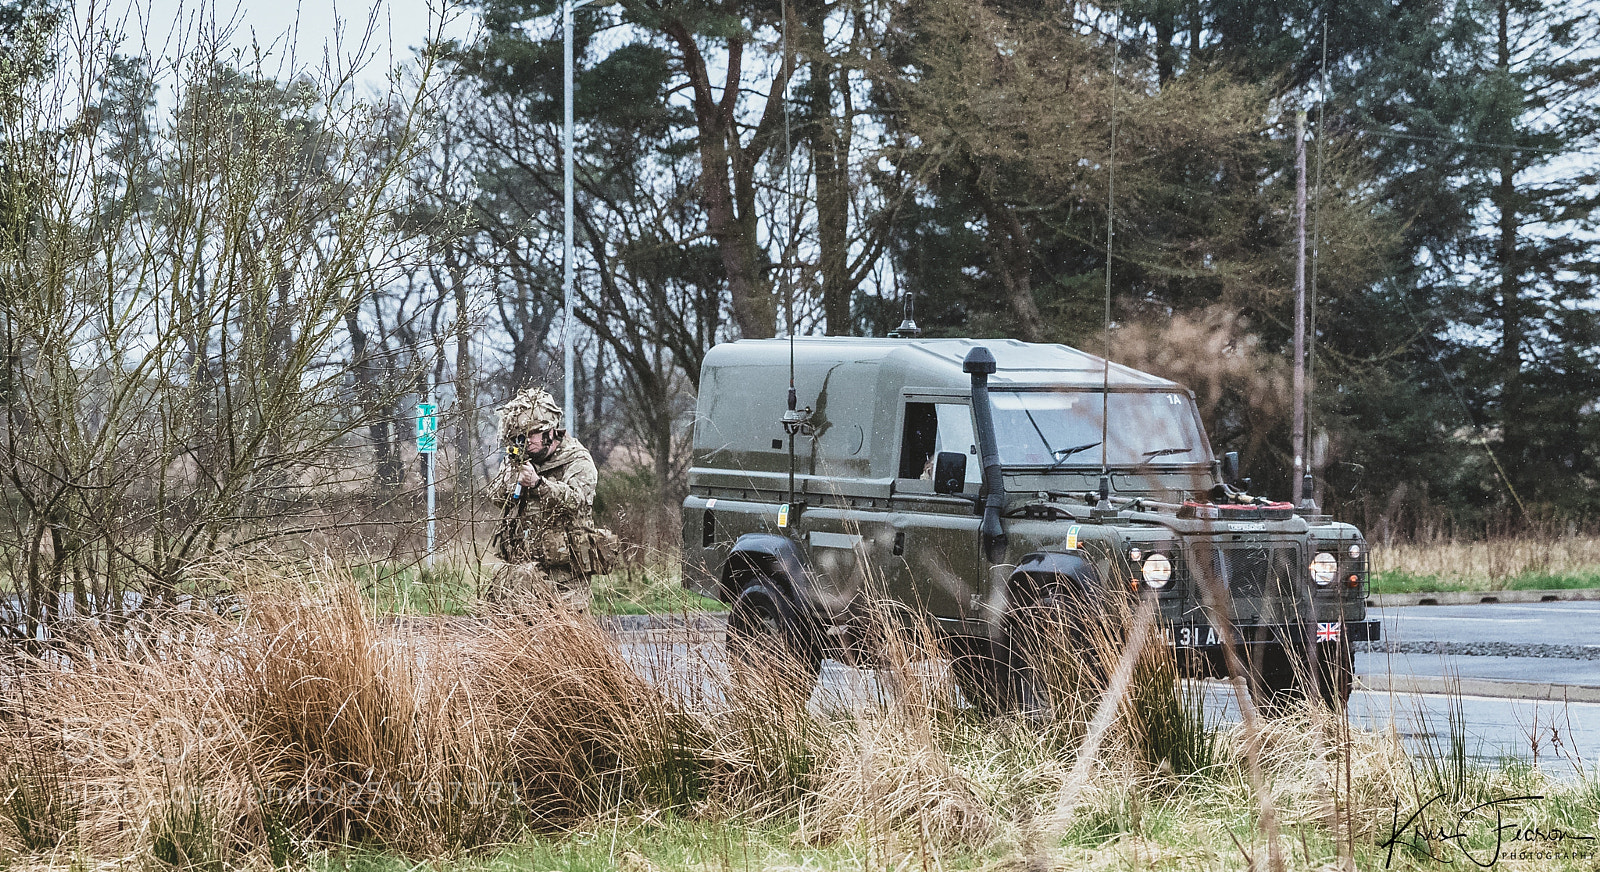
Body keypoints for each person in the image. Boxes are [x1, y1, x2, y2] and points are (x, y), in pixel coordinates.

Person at [486, 388, 617, 613]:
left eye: (530, 435)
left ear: (550, 431)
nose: (524, 442)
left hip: (565, 576)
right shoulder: (519, 457)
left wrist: (538, 484)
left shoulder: (577, 459)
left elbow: (577, 501)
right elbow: (496, 499)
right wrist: (509, 480)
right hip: (522, 573)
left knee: (567, 638)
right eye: (518, 436)